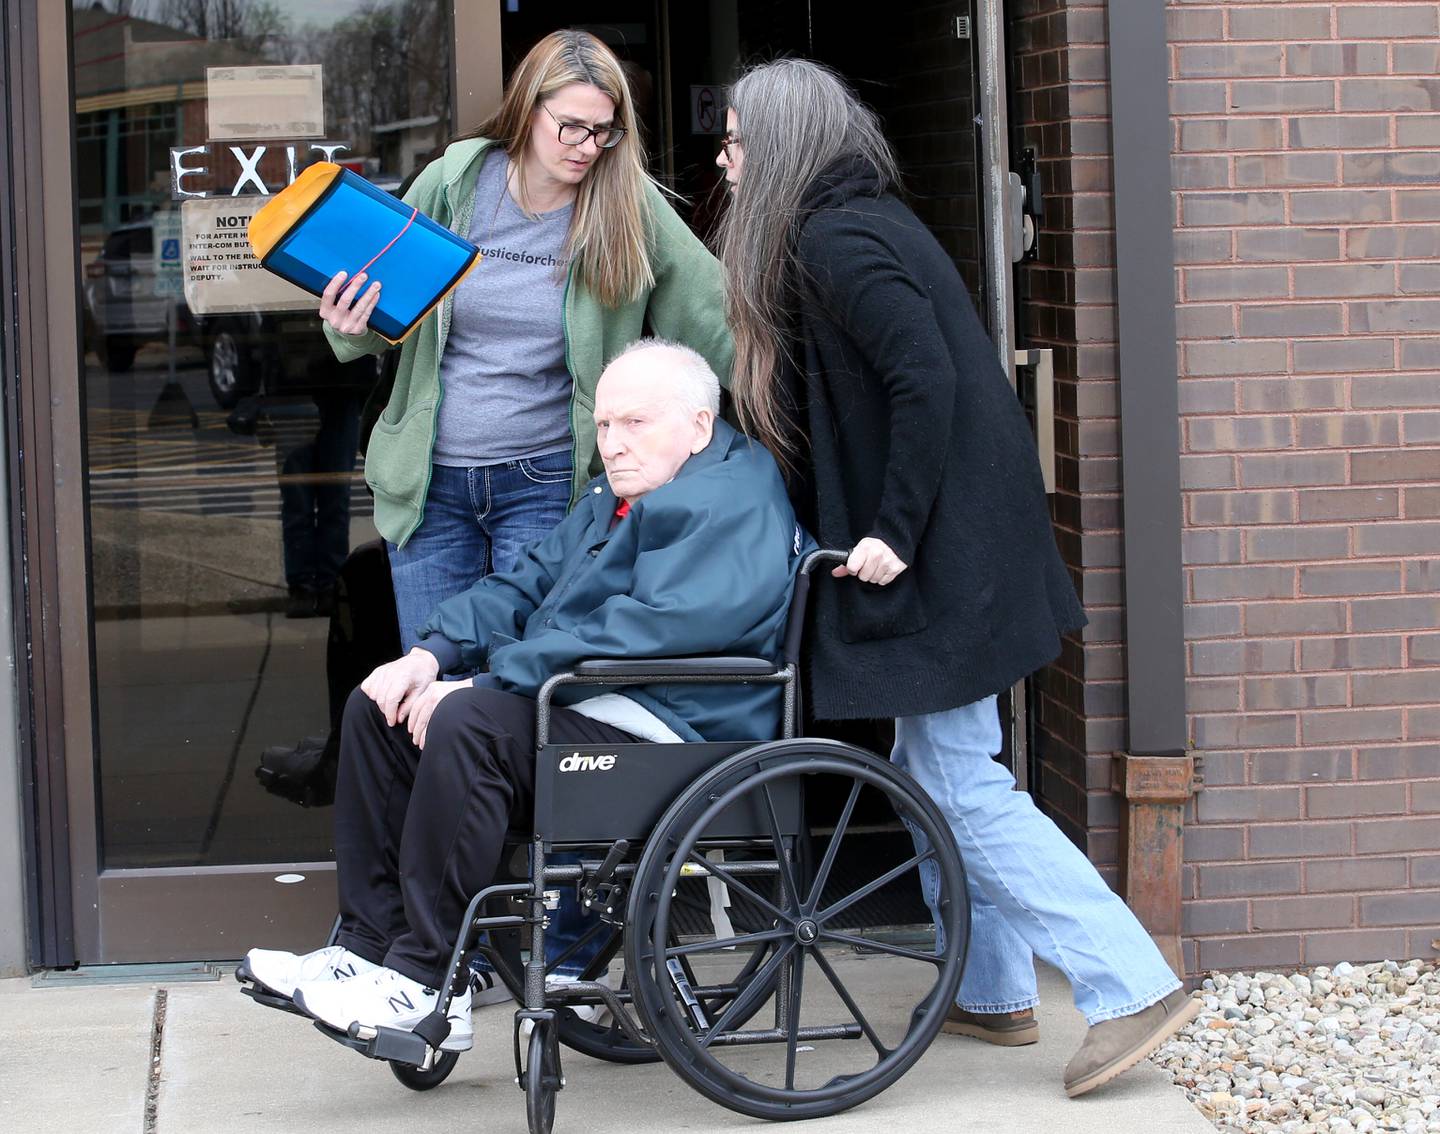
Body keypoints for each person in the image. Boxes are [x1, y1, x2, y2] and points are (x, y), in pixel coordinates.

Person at [712, 59, 1198, 1099]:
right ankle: (991, 991)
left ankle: (1131, 984)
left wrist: (889, 530)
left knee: (960, 781)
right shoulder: (860, 224)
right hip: (963, 548)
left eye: (739, 137)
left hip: (938, 555)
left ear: (786, 145)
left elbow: (923, 375)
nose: (725, 157)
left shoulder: (837, 241)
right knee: (942, 766)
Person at [241, 340, 808, 1051]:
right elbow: (528, 583)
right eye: (604, 426)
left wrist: (485, 680)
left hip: (678, 736)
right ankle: (366, 949)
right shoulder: (630, 490)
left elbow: (646, 631)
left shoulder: (729, 499)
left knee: (473, 723)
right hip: (597, 710)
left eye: (635, 424)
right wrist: (429, 655)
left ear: (698, 425)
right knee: (377, 706)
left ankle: (422, 983)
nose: (614, 445)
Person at [318, 28, 732, 985]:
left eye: (604, 131)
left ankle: (569, 918)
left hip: (550, 484)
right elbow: (378, 310)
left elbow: (711, 309)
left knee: (525, 706)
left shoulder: (620, 204)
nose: (587, 148)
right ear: (529, 108)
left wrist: (752, 430)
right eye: (572, 127)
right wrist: (346, 325)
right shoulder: (459, 180)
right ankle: (445, 945)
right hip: (435, 486)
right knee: (429, 708)